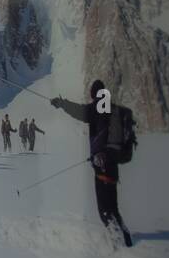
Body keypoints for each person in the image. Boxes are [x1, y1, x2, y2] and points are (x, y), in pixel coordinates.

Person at [51, 79, 133, 247]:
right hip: (113, 167)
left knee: (105, 212)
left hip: (101, 167)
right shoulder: (113, 109)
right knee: (114, 209)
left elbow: (78, 111)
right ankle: (127, 241)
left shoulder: (96, 109)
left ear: (93, 94)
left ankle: (118, 244)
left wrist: (60, 103)